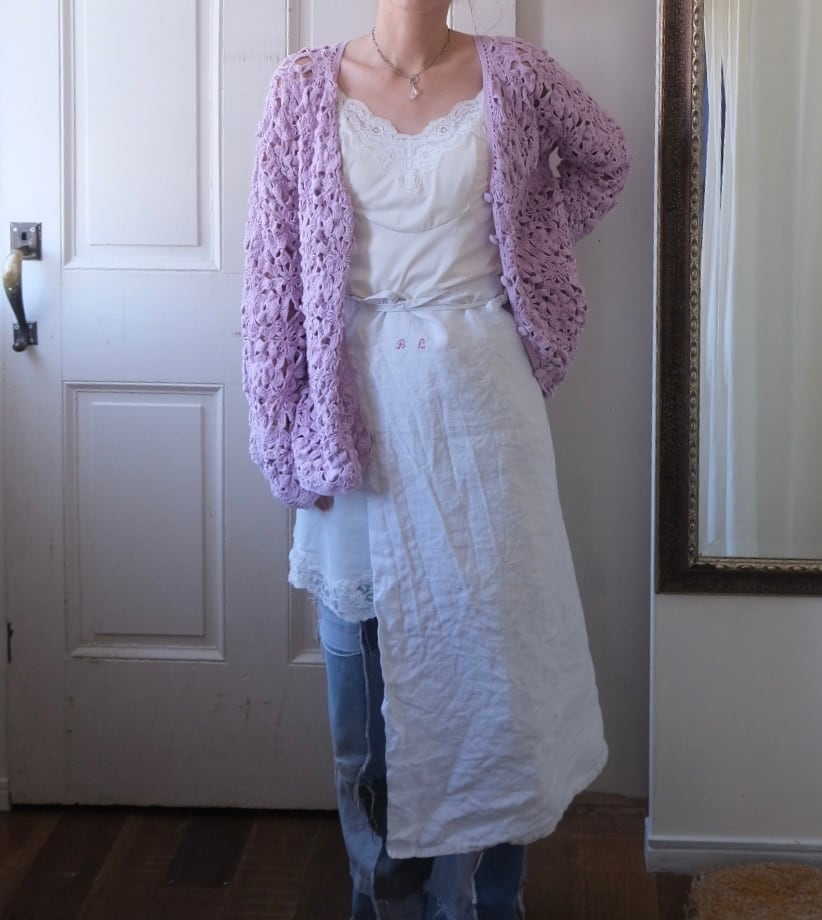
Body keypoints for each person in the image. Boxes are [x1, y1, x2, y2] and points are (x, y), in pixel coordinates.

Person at [241, 1, 631, 916]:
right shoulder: (302, 89)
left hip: (484, 415)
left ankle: (491, 901)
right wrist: (283, 435)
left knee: (500, 682)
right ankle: (385, 900)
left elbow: (605, 161)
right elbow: (271, 276)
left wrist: (529, 236)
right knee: (365, 696)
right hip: (358, 415)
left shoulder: (517, 74)